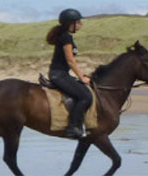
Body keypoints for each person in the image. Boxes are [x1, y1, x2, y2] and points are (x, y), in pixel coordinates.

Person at [46, 9, 92, 138]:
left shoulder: (66, 36)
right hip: (58, 74)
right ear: (70, 23)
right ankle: (72, 127)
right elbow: (70, 60)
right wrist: (82, 77)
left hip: (62, 74)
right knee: (86, 97)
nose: (80, 24)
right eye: (78, 22)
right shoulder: (66, 37)